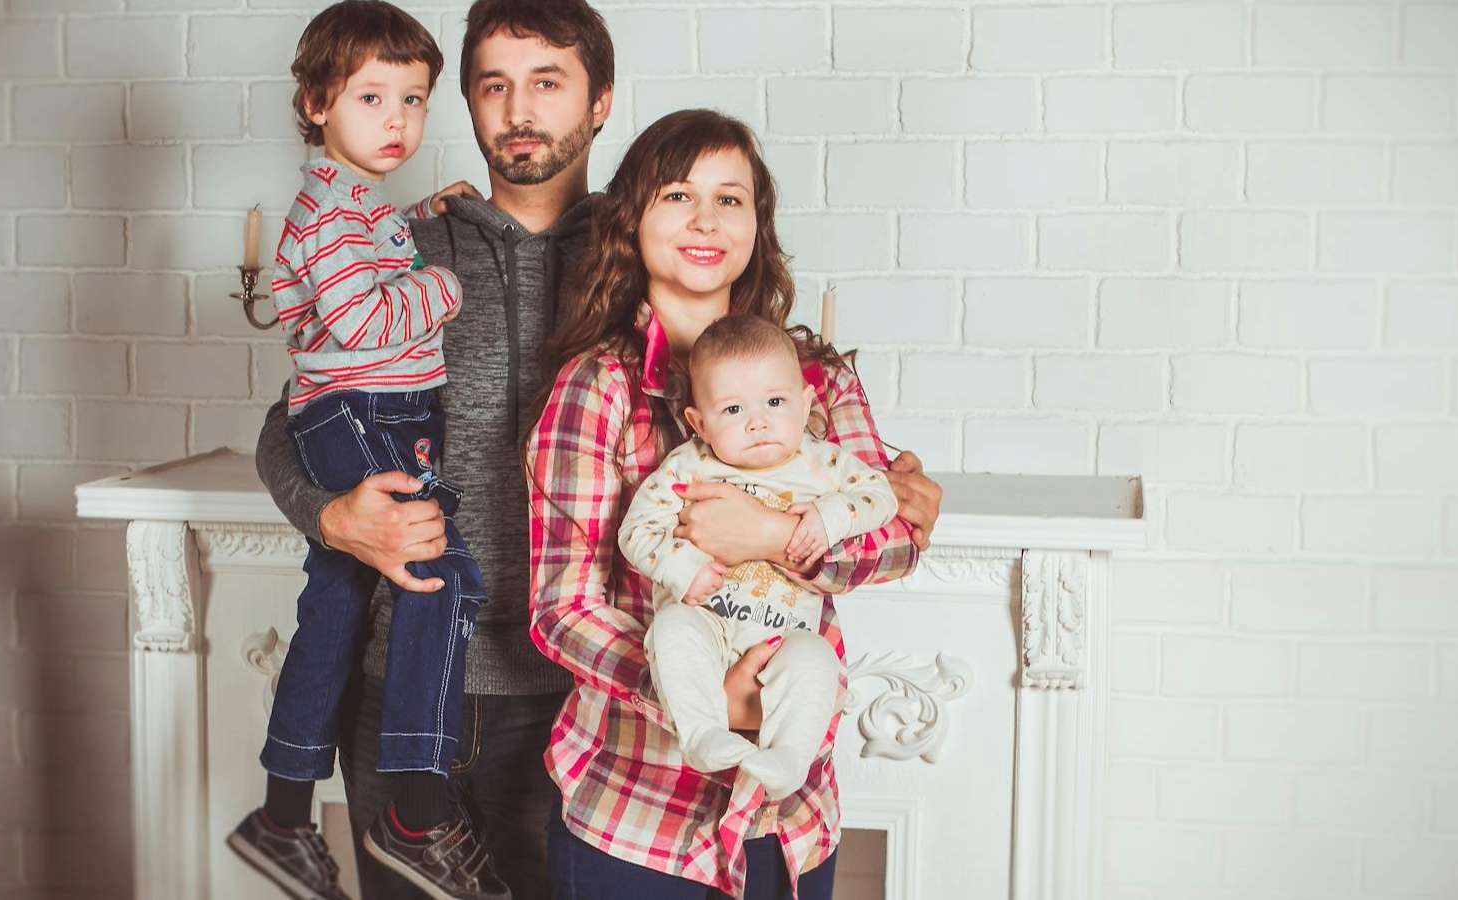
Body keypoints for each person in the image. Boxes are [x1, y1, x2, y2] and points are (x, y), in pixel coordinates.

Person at [525, 109, 943, 900]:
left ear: (758, 222)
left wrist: (777, 534)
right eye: (678, 196)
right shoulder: (598, 387)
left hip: (790, 818)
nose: (707, 220)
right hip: (636, 815)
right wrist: (703, 694)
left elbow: (893, 535)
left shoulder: (815, 380)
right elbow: (561, 606)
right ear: (633, 221)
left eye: (732, 198)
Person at [253, 0, 618, 896]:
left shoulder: (642, 248)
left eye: (548, 83)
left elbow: (737, 401)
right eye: (494, 85)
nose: (519, 109)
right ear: (467, 101)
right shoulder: (403, 244)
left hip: (577, 692)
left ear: (600, 101)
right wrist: (333, 517)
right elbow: (287, 423)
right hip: (403, 679)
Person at [227, 2, 498, 897]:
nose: (397, 120)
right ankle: (415, 814)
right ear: (315, 103)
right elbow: (364, 313)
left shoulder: (355, 205)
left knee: (338, 604)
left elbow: (361, 251)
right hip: (358, 413)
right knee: (438, 574)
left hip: (361, 409)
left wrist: (422, 214)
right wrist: (445, 284)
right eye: (372, 98)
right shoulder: (330, 214)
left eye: (414, 101)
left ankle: (281, 814)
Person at [618, 314, 898, 800]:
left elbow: (882, 497)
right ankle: (703, 733)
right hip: (707, 622)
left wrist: (829, 518)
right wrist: (682, 569)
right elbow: (635, 530)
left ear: (806, 403)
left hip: (782, 636)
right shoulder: (689, 466)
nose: (758, 422)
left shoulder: (822, 463)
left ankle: (789, 758)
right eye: (732, 410)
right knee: (672, 632)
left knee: (817, 660)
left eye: (775, 402)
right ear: (699, 424)